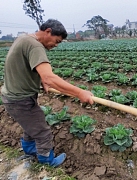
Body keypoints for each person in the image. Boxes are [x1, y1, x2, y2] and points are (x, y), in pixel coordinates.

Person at [1, 19, 94, 167]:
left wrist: (40, 80)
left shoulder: (24, 38)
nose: (55, 46)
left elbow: (23, 66)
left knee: (31, 126)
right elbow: (50, 77)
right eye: (56, 41)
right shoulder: (35, 46)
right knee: (43, 131)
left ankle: (30, 151)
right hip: (20, 100)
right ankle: (47, 161)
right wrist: (80, 93)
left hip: (11, 96)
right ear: (48, 31)